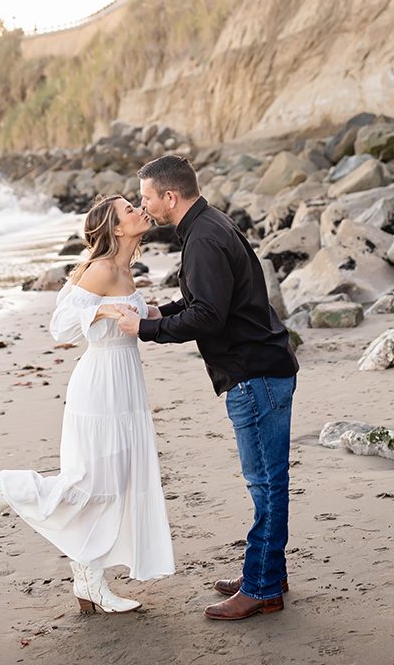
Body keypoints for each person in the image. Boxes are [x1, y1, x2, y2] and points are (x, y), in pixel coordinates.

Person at [116, 156, 299, 622]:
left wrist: (146, 330)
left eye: (147, 198)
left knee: (267, 484)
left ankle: (262, 588)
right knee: (267, 483)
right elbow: (206, 299)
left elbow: (209, 317)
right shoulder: (208, 226)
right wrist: (160, 311)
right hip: (260, 367)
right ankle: (266, 573)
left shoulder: (203, 238)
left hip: (254, 374)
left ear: (169, 198)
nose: (145, 205)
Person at [0, 194, 175, 614]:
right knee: (92, 484)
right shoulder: (101, 269)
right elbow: (61, 326)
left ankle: (90, 580)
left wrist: (159, 313)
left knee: (114, 484)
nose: (140, 210)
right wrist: (103, 309)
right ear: (116, 228)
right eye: (129, 210)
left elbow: (133, 317)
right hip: (100, 385)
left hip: (126, 382)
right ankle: (11, 488)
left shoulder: (123, 269)